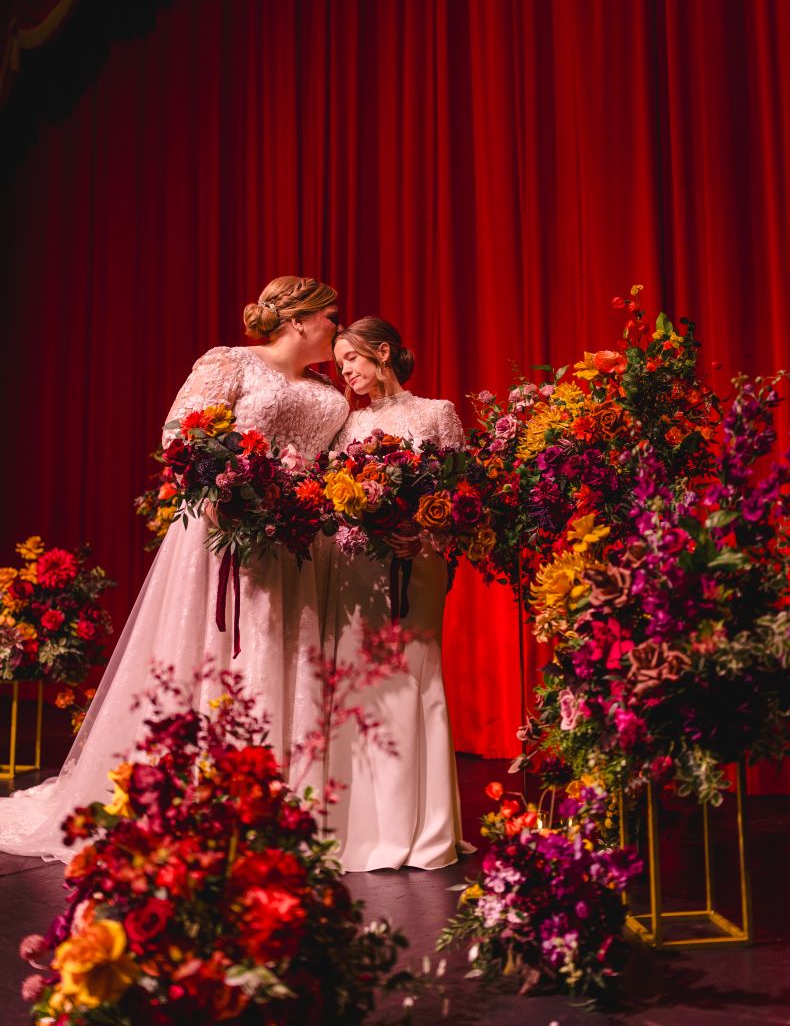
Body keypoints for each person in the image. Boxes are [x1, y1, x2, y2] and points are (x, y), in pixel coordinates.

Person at [0, 276, 349, 863]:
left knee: (289, 645)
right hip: (225, 531)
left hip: (297, 541)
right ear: (299, 320)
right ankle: (209, 787)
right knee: (216, 648)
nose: (338, 328)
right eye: (332, 317)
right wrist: (224, 488)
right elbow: (179, 434)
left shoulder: (327, 391)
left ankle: (283, 794)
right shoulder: (231, 362)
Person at [324, 316, 471, 871]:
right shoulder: (346, 426)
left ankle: (427, 831)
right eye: (340, 366)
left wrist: (425, 532)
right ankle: (362, 829)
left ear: (381, 353)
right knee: (362, 684)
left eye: (352, 361)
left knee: (414, 674)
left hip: (419, 560)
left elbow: (462, 498)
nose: (347, 373)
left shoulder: (436, 414)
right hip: (356, 567)